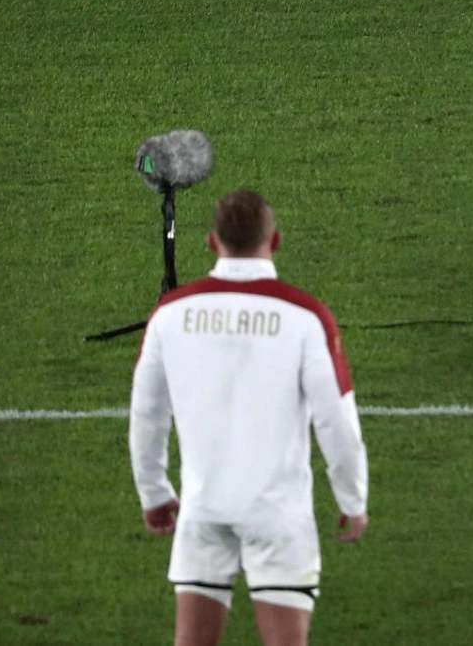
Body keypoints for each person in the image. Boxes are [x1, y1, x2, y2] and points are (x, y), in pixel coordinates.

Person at [128, 189, 368, 646]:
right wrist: (352, 500)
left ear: (211, 243)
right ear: (274, 241)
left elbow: (147, 412)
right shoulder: (305, 316)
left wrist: (155, 492)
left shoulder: (170, 314)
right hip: (278, 515)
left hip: (204, 508)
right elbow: (336, 420)